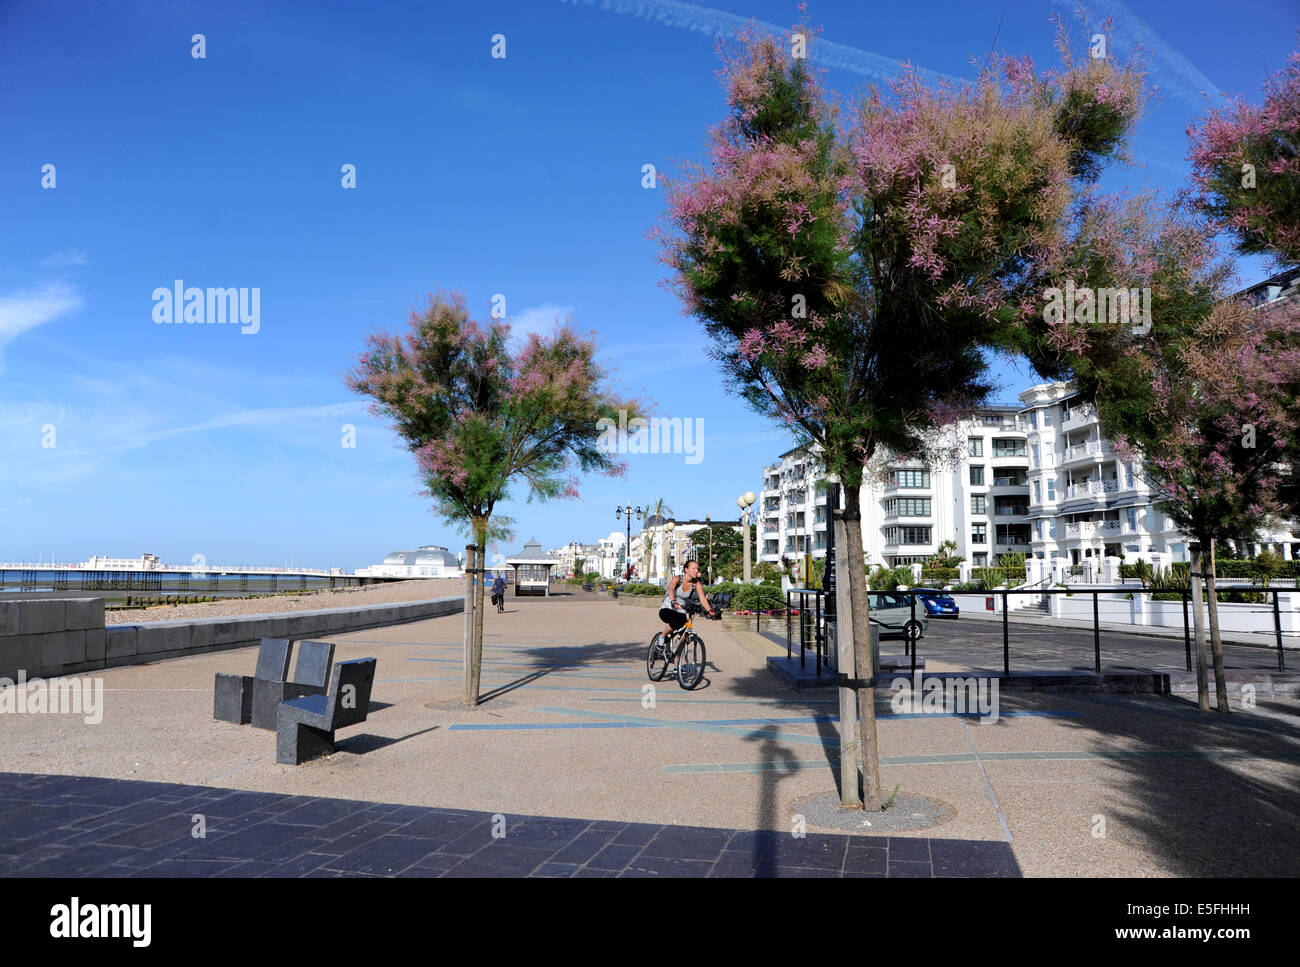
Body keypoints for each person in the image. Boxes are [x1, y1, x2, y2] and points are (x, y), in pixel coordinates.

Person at [659, 559, 714, 642]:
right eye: (694, 568)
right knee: (675, 623)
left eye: (697, 569)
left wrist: (709, 610)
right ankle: (662, 636)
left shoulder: (696, 583)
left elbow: (702, 598)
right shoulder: (677, 579)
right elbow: (671, 590)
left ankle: (677, 654)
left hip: (681, 611)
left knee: (685, 634)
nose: (697, 571)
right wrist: (673, 601)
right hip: (668, 609)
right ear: (686, 569)